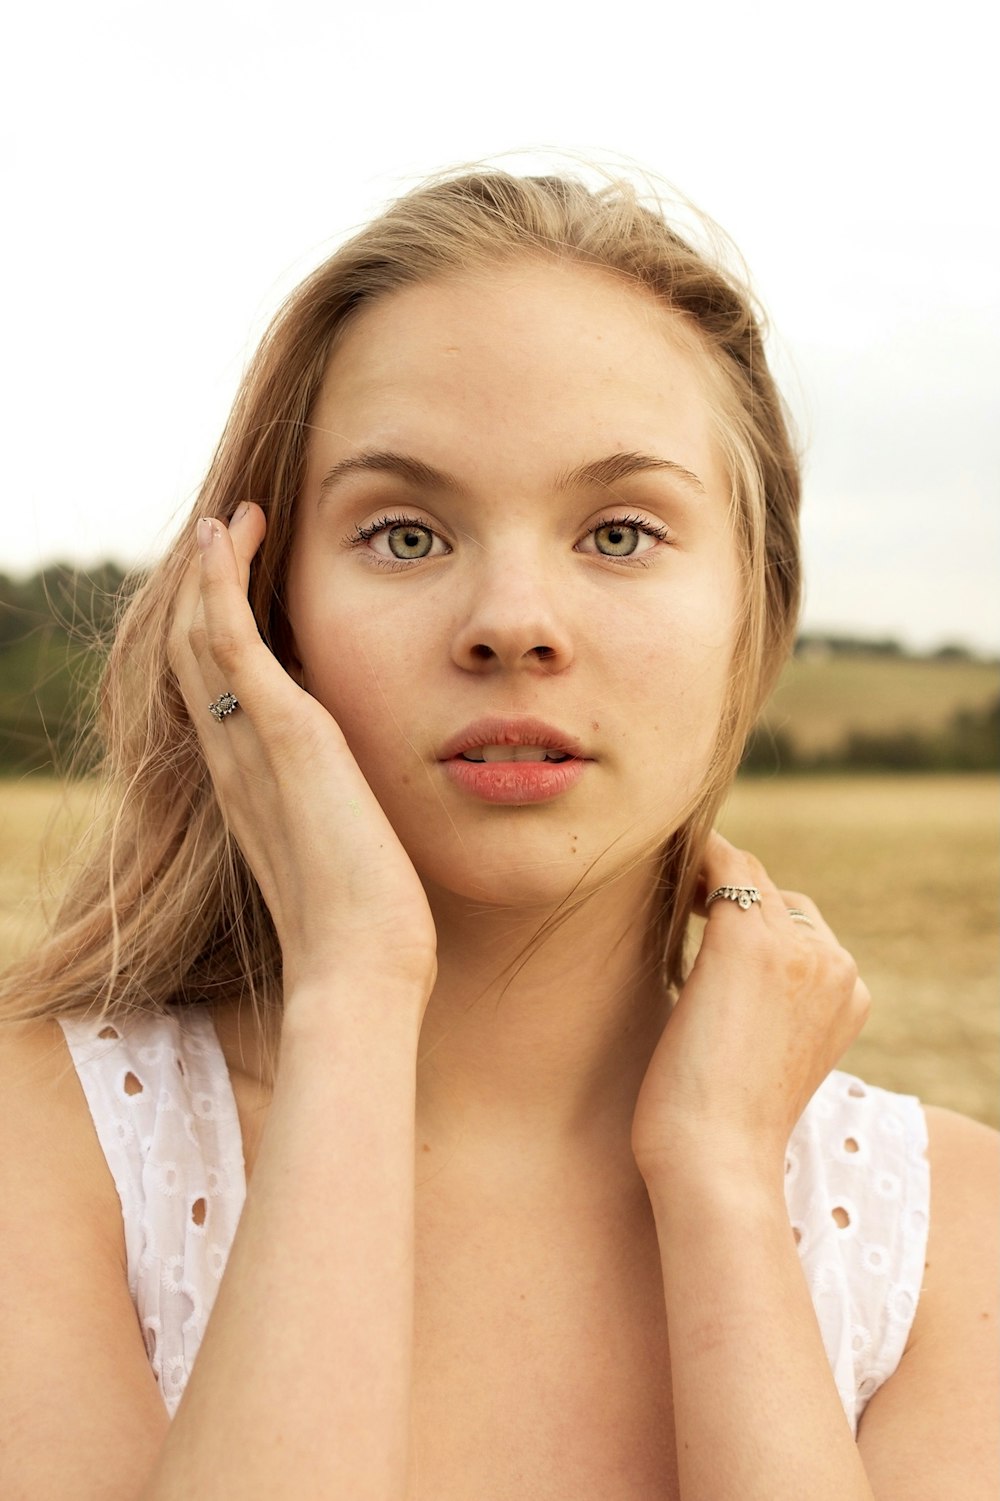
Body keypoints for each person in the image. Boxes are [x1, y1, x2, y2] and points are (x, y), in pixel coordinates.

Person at [0, 166, 995, 1501]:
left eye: (622, 531)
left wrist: (719, 1184)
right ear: (261, 611)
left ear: (754, 620)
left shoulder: (944, 1232)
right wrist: (354, 987)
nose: (513, 618)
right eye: (405, 533)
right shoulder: (43, 1145)